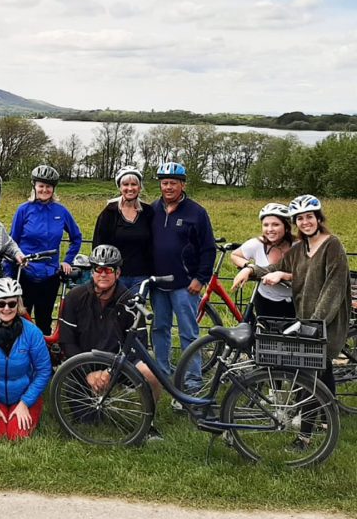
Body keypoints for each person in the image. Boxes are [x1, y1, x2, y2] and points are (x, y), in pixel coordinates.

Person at [233, 195, 351, 444]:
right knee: (318, 370)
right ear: (295, 222)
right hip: (306, 317)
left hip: (327, 320)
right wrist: (250, 269)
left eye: (309, 217)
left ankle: (305, 436)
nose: (305, 222)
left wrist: (314, 324)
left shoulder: (332, 245)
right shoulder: (299, 249)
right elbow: (273, 269)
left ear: (318, 218)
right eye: (300, 218)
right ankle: (325, 416)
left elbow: (333, 289)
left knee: (310, 372)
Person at [60, 245, 162, 407]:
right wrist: (88, 373)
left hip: (118, 365)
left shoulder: (130, 301)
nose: (103, 274)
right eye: (98, 270)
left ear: (118, 273)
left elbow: (139, 346)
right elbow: (67, 341)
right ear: (92, 272)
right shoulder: (75, 297)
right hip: (83, 362)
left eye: (108, 270)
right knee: (85, 418)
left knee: (150, 373)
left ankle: (149, 420)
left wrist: (110, 372)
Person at [150, 162, 216, 398]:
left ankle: (192, 380)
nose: (168, 187)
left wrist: (201, 278)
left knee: (189, 333)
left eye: (173, 183)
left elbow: (208, 249)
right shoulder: (153, 209)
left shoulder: (196, 212)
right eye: (164, 182)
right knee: (159, 329)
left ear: (182, 184)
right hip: (158, 284)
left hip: (185, 285)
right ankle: (161, 374)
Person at [0, 277, 52, 440]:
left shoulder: (33, 333)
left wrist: (25, 403)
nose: (6, 309)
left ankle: (21, 409)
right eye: (1, 304)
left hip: (24, 395)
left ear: (18, 304)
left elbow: (43, 371)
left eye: (12, 304)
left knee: (17, 435)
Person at [10, 165, 82, 335]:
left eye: (48, 186)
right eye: (41, 185)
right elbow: (12, 242)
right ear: (34, 186)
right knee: (20, 318)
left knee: (44, 320)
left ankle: (44, 357)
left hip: (50, 275)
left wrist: (67, 260)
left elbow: (76, 237)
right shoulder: (23, 210)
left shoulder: (61, 211)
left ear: (53, 188)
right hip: (26, 272)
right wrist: (10, 272)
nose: (44, 189)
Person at [92, 166, 153, 293]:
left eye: (134, 184)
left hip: (141, 276)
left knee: (136, 312)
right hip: (115, 274)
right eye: (125, 184)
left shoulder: (148, 212)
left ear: (140, 187)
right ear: (120, 187)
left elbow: (154, 242)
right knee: (114, 311)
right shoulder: (110, 212)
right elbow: (98, 244)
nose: (130, 188)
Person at [230, 203, 295, 318]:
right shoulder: (257, 244)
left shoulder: (298, 246)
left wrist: (283, 275)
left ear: (286, 226)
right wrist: (248, 267)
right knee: (264, 334)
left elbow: (308, 275)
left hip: (297, 300)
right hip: (265, 299)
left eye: (275, 224)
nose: (270, 229)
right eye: (265, 225)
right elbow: (235, 255)